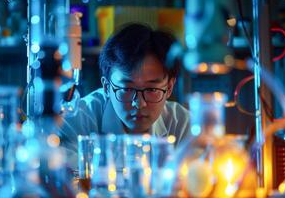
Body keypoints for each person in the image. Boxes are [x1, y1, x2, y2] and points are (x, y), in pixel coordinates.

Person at [59, 22, 190, 168]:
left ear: (169, 87)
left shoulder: (182, 125)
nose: (139, 104)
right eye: (127, 89)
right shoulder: (77, 120)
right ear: (107, 86)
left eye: (152, 90)